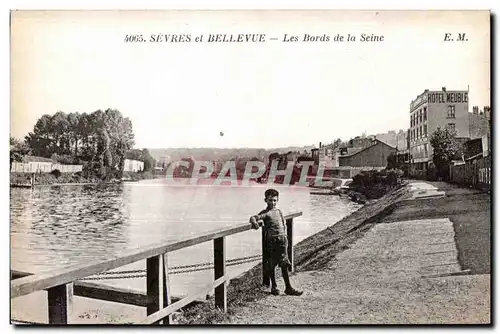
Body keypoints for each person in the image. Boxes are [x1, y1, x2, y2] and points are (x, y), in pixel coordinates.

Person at [249, 188, 303, 296]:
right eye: (270, 200)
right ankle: (274, 287)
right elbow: (253, 217)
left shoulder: (279, 211)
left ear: (277, 200)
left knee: (284, 263)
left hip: (282, 240)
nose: (272, 203)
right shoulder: (265, 213)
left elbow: (283, 224)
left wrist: (285, 237)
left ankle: (288, 287)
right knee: (272, 264)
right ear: (266, 200)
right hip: (272, 241)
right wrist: (254, 222)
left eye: (274, 200)